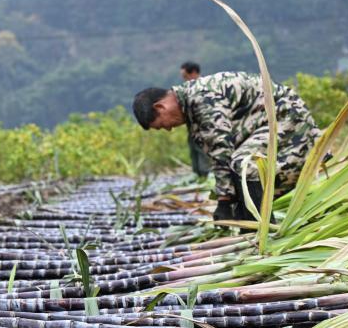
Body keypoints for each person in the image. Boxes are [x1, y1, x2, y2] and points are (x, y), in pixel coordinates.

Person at [132, 71, 321, 222]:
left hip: (286, 117)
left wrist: (224, 201)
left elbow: (221, 148)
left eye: (161, 125)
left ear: (160, 107)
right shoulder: (191, 110)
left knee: (244, 164)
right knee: (237, 170)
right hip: (262, 122)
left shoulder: (201, 97)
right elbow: (215, 151)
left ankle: (263, 229)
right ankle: (249, 225)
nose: (168, 129)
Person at [179, 61, 210, 177]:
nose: (185, 79)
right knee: (194, 155)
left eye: (185, 76)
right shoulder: (188, 89)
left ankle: (206, 178)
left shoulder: (204, 86)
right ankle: (199, 178)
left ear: (194, 73)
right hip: (192, 129)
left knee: (203, 155)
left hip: (203, 129)